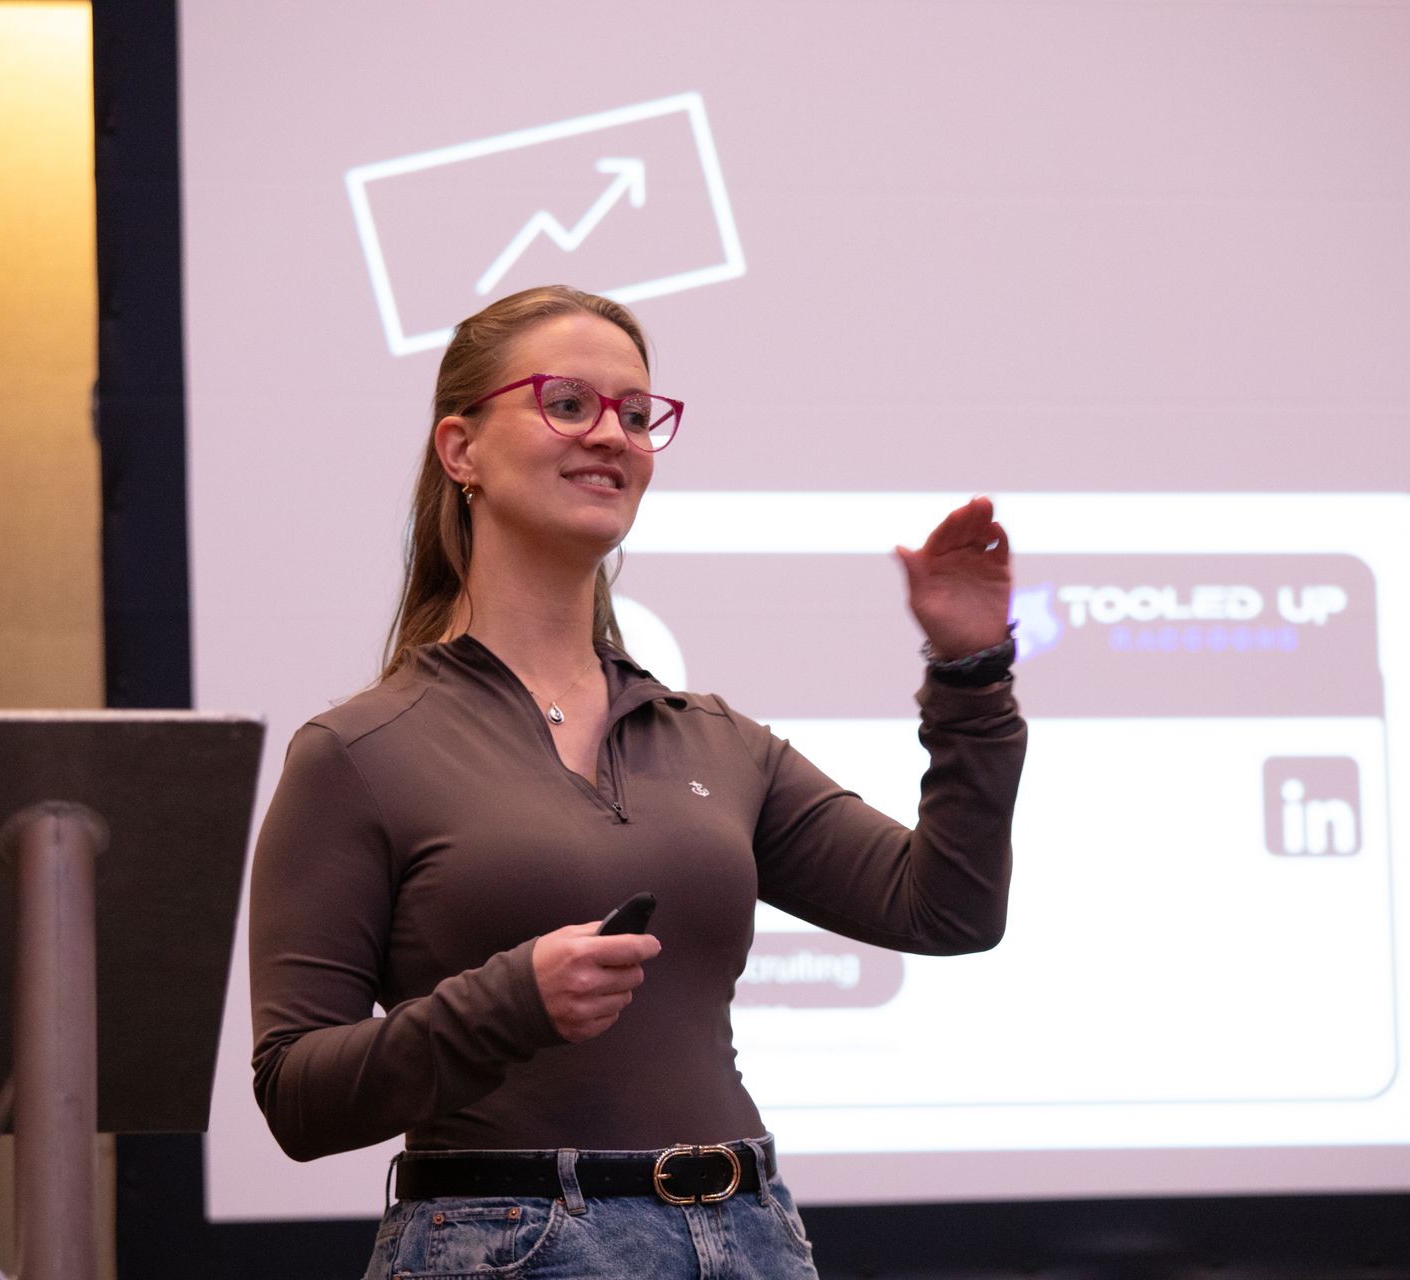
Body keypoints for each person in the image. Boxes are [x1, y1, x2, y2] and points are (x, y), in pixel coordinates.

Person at [248, 285, 1026, 1278]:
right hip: (510, 1244)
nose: (611, 434)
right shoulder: (360, 750)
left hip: (746, 1235)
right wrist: (506, 1002)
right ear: (461, 449)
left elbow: (947, 907)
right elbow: (296, 1095)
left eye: (634, 411)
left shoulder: (712, 740)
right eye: (568, 402)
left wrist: (970, 673)